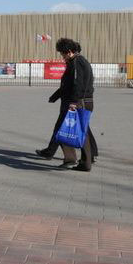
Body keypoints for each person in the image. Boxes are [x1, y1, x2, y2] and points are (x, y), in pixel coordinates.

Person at [35, 37, 97, 171]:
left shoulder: (76, 62)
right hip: (84, 101)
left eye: (62, 54)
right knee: (81, 131)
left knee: (64, 130)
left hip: (78, 102)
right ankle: (87, 160)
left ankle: (71, 159)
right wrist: (55, 96)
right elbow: (68, 85)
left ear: (69, 51)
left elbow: (77, 84)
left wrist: (74, 102)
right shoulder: (80, 61)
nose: (62, 57)